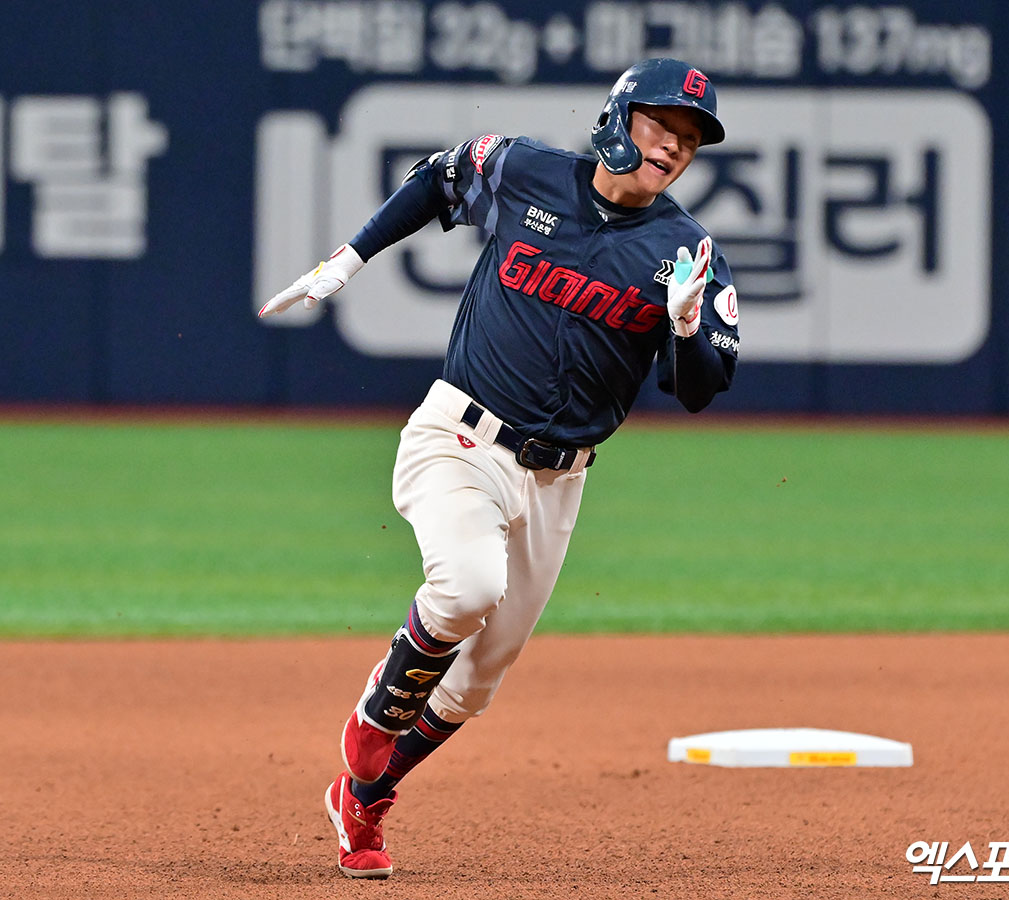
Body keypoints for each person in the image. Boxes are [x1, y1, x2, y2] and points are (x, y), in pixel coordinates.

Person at [259, 57, 740, 879]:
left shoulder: (687, 252)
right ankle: (374, 717)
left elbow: (699, 389)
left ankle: (363, 796)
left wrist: (687, 326)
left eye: (690, 140)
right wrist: (351, 257)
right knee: (467, 587)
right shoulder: (527, 173)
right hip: (461, 436)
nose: (673, 147)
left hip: (561, 479)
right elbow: (439, 179)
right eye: (662, 123)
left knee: (477, 682)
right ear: (618, 117)